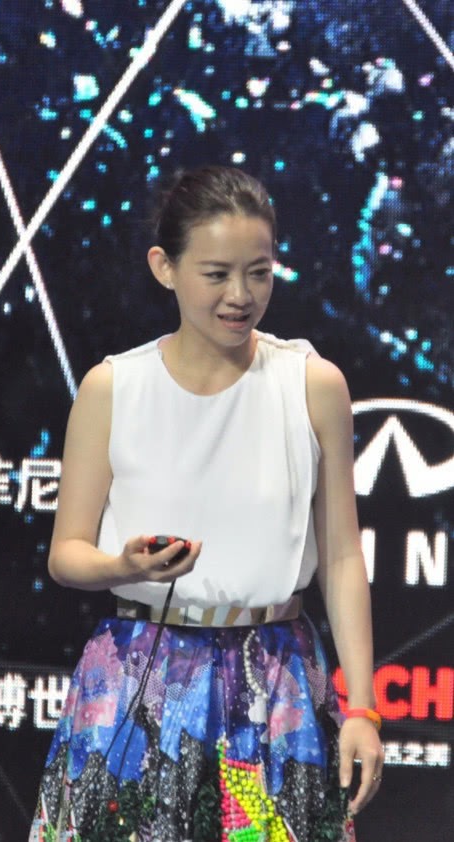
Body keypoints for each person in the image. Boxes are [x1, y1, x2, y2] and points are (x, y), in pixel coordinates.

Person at [29, 165, 384, 842]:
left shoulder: (312, 386)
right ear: (164, 267)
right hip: (139, 676)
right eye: (217, 274)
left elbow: (342, 557)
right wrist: (122, 565)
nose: (240, 296)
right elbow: (66, 554)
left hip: (276, 680)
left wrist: (362, 707)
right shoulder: (114, 387)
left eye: (259, 273)